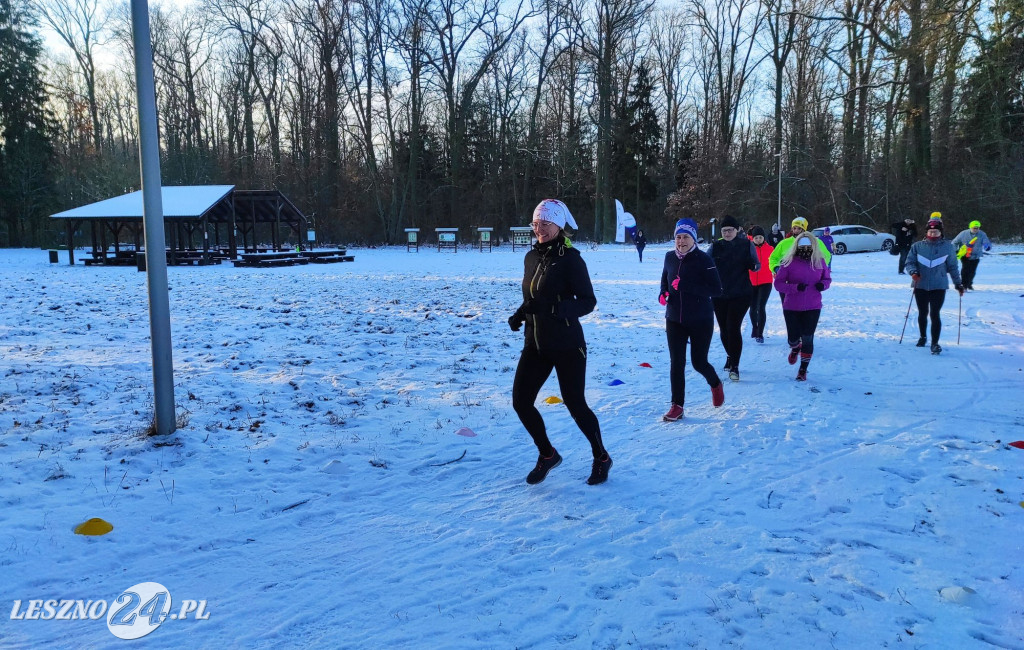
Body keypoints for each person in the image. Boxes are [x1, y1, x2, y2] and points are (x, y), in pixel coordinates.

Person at [508, 199, 611, 485]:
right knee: (521, 402)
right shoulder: (531, 257)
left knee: (576, 404)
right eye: (536, 223)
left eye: (546, 224)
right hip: (536, 343)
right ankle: (547, 454)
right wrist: (520, 314)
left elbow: (588, 302)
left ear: (560, 226)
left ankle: (602, 457)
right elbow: (533, 296)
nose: (540, 229)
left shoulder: (571, 259)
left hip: (567, 345)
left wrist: (555, 310)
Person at [660, 218, 726, 421]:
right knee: (676, 363)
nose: (681, 241)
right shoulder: (669, 257)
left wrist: (687, 286)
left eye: (686, 237)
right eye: (678, 237)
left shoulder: (704, 260)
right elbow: (665, 279)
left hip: (700, 319)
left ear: (694, 239)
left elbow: (717, 290)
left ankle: (715, 383)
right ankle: (677, 405)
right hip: (674, 319)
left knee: (699, 363)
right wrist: (663, 293)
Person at [773, 231, 832, 381]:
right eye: (802, 247)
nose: (805, 250)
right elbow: (778, 284)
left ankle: (803, 370)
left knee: (808, 338)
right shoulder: (788, 262)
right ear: (796, 247)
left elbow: (827, 279)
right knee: (793, 338)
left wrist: (822, 285)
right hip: (792, 306)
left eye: (808, 247)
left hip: (813, 306)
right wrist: (794, 288)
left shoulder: (819, 262)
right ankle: (794, 347)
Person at [903, 217, 964, 355]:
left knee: (935, 314)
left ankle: (935, 343)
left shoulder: (948, 247)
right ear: (926, 232)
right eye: (930, 232)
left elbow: (953, 267)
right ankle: (923, 336)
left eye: (936, 232)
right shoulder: (917, 246)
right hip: (920, 285)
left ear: (941, 233)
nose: (933, 235)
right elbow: (909, 262)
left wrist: (958, 284)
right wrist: (913, 272)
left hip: (939, 285)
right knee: (922, 312)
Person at [709, 215, 759, 380]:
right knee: (723, 329)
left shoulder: (746, 244)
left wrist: (753, 265)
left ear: (737, 230)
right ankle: (730, 355)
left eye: (730, 230)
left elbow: (756, 265)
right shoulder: (716, 246)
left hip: (741, 293)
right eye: (724, 230)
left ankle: (735, 367)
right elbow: (704, 263)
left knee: (733, 326)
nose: (727, 233)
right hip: (719, 294)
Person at [769, 217, 832, 346]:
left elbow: (826, 256)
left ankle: (805, 337)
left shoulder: (815, 242)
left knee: (808, 311)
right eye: (794, 227)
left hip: (809, 283)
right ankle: (793, 337)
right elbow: (773, 258)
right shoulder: (784, 243)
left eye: (799, 228)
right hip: (787, 283)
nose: (796, 230)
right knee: (790, 310)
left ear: (804, 229)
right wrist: (776, 268)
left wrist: (816, 268)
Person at [747, 226, 774, 344]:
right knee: (752, 308)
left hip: (766, 282)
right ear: (752, 238)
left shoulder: (770, 249)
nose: (758, 239)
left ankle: (760, 334)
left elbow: (776, 261)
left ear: (764, 238)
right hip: (751, 282)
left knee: (761, 307)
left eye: (760, 237)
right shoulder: (748, 248)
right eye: (756, 237)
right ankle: (755, 327)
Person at [951, 220, 993, 290]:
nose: (976, 229)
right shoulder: (963, 233)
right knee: (965, 269)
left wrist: (987, 246)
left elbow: (986, 242)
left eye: (977, 228)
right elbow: (954, 242)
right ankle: (964, 285)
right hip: (965, 255)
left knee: (972, 271)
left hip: (976, 255)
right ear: (970, 227)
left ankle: (969, 283)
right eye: (974, 228)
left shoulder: (982, 234)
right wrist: (955, 250)